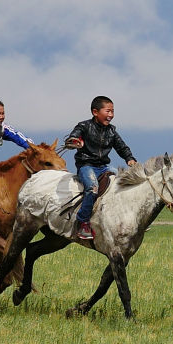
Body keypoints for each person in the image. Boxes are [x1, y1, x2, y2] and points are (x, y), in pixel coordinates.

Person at [65, 95, 137, 240]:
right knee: (92, 188)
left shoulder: (111, 131)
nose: (111, 115)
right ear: (95, 112)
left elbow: (122, 147)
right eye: (108, 111)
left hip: (104, 167)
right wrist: (74, 141)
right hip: (86, 166)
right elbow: (72, 139)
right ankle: (83, 222)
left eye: (112, 111)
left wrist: (130, 159)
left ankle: (129, 219)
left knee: (125, 183)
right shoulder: (84, 126)